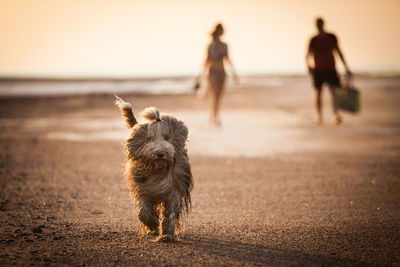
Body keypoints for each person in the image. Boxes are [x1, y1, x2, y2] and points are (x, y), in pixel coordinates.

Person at [306, 17, 352, 125]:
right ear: (316, 26)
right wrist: (309, 67)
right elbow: (307, 55)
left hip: (331, 69)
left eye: (321, 24)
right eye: (318, 24)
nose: (320, 26)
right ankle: (319, 116)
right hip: (318, 69)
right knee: (318, 92)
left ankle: (335, 115)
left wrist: (346, 68)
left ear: (323, 24)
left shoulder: (331, 37)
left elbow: (339, 52)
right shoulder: (314, 39)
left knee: (334, 91)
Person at [196, 23, 238, 126]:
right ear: (218, 31)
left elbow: (228, 60)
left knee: (219, 96)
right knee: (214, 95)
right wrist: (199, 75)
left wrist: (234, 74)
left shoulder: (225, 45)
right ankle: (214, 116)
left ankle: (215, 115)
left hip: (222, 73)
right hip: (212, 73)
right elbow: (206, 60)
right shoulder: (211, 45)